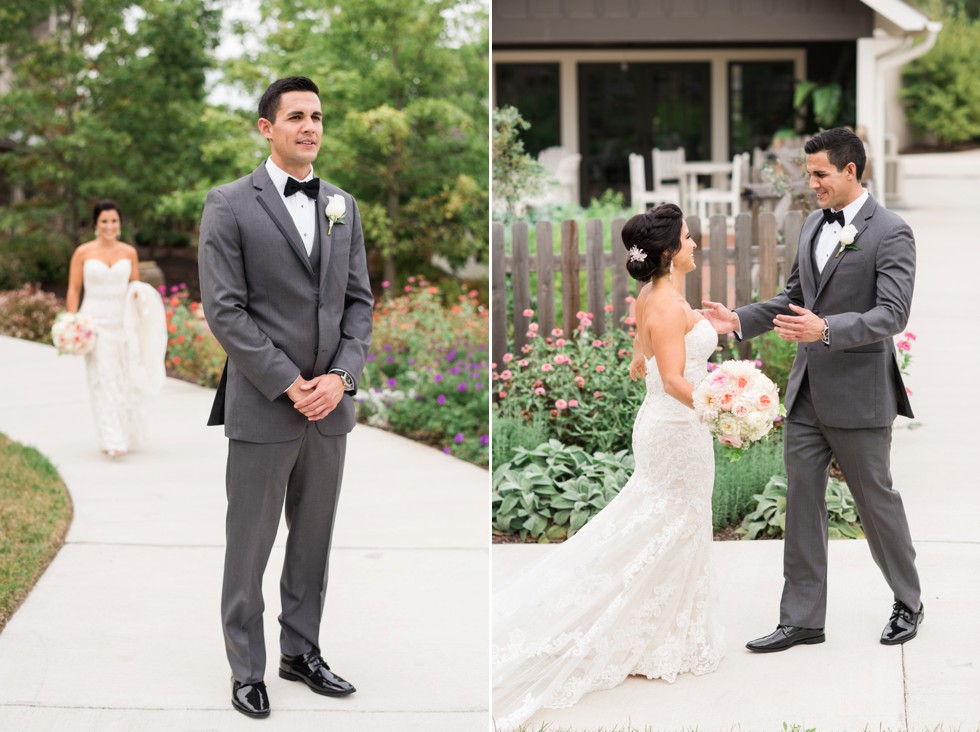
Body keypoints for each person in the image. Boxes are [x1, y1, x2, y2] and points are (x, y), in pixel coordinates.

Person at [492, 204, 724, 731]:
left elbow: (642, 359)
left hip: (674, 427)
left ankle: (664, 634)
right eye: (688, 239)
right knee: (668, 528)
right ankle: (651, 637)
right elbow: (670, 379)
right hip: (676, 428)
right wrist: (725, 408)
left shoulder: (656, 296)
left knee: (674, 530)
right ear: (669, 253)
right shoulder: (663, 303)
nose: (694, 246)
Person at [702, 127, 922, 652]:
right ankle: (802, 619)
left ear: (850, 171)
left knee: (876, 504)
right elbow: (795, 298)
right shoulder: (810, 225)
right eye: (809, 174)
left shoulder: (892, 231)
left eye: (820, 174)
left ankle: (908, 602)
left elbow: (892, 314)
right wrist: (737, 320)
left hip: (860, 393)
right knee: (802, 503)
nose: (812, 184)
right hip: (806, 396)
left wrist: (827, 331)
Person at [198, 76, 373, 719]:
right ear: (266, 128)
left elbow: (359, 303)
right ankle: (247, 667)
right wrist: (288, 381)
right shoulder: (228, 204)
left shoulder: (343, 206)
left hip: (330, 410)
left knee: (313, 541)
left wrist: (339, 379)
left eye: (318, 117)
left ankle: (301, 653)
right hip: (263, 404)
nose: (310, 127)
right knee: (250, 543)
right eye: (296, 116)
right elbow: (225, 310)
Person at [66, 200, 164, 458]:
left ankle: (122, 430)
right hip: (93, 323)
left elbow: (135, 286)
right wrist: (71, 322)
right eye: (104, 221)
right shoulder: (83, 252)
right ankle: (111, 437)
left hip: (121, 323)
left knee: (122, 379)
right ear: (96, 224)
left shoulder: (128, 252)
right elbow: (74, 290)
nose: (109, 226)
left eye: (114, 221)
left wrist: (141, 302)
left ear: (119, 224)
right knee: (102, 379)